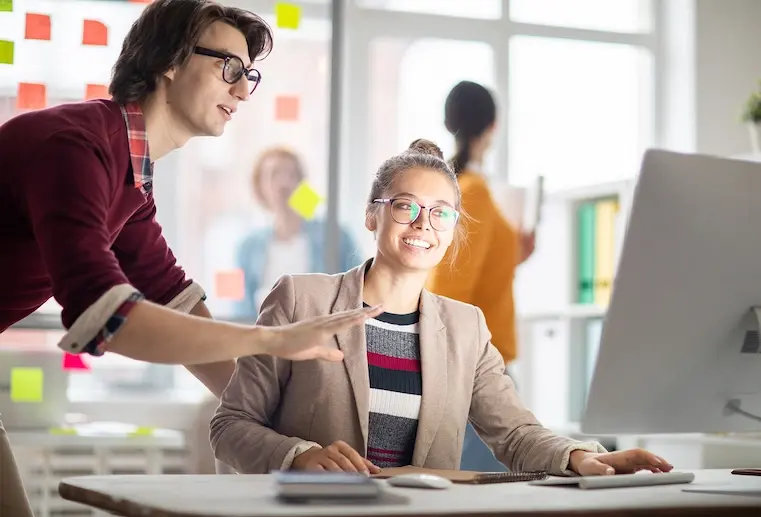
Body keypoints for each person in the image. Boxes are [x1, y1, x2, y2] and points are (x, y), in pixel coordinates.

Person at [0, 2, 380, 515]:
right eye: (229, 69)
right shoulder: (76, 147)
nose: (243, 90)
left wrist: (295, 443)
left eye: (248, 75)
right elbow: (108, 319)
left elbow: (173, 298)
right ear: (169, 61)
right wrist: (270, 339)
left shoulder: (129, 182)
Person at [209, 139, 673, 478]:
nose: (422, 224)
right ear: (372, 216)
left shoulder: (466, 327)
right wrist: (299, 456)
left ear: (452, 229)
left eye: (440, 212)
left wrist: (578, 456)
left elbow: (513, 434)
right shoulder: (300, 299)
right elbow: (231, 426)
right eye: (405, 207)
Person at [426, 81, 534, 472]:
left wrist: (515, 255)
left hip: (471, 364)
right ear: (493, 125)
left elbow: (465, 271)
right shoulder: (471, 192)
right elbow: (451, 288)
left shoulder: (465, 189)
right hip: (475, 369)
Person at [235, 147, 361, 318]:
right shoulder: (248, 247)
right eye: (274, 174)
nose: (283, 183)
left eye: (291, 175)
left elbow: (357, 291)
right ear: (260, 187)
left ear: (302, 184)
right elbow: (241, 308)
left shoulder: (335, 236)